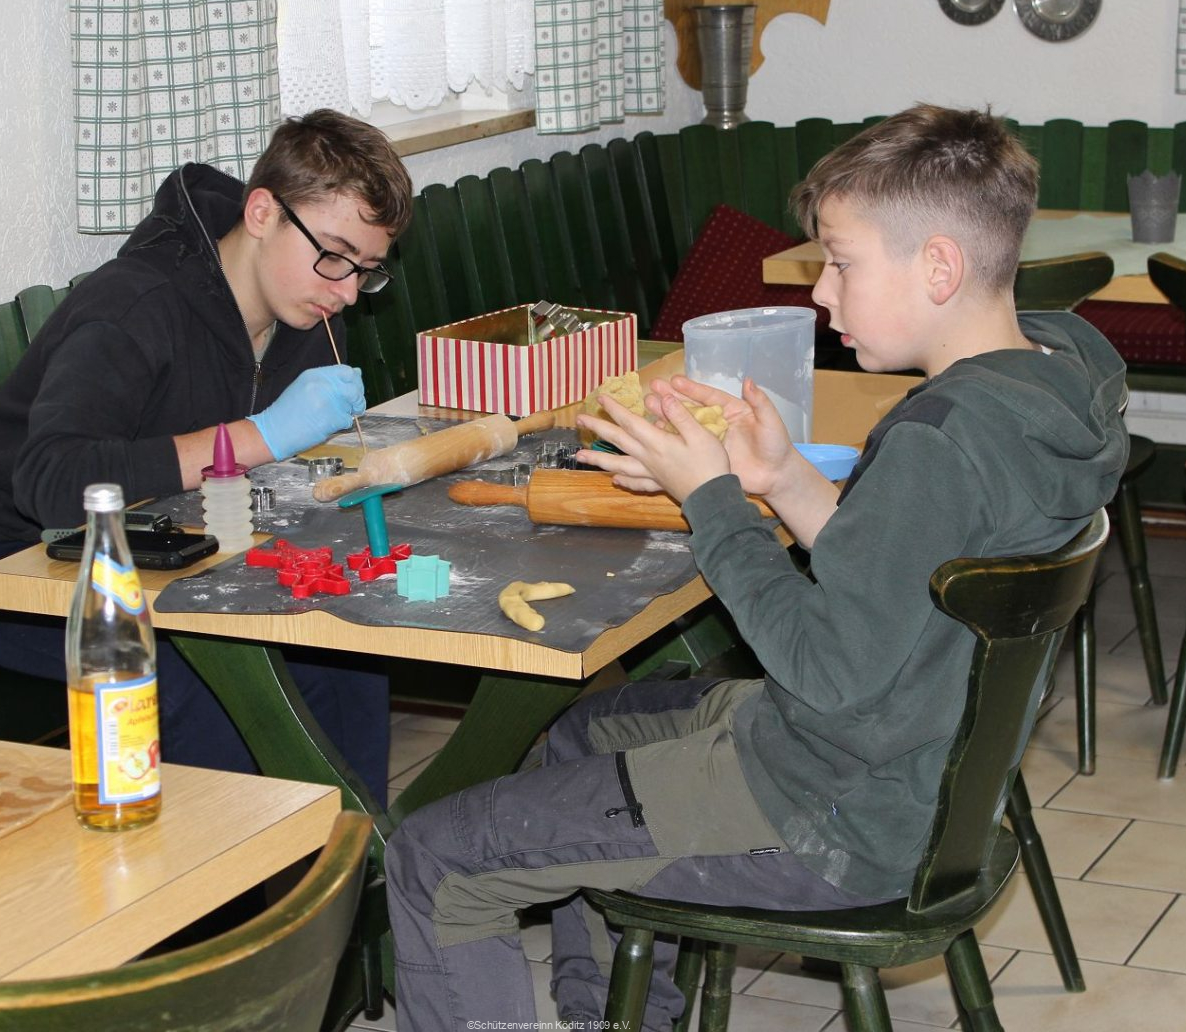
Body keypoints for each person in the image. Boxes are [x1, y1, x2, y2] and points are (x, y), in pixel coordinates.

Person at [383, 104, 1129, 1030]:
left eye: (842, 265)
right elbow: (906, 573)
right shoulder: (1058, 374)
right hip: (916, 773)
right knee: (581, 733)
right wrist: (780, 480)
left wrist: (712, 501)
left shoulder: (939, 442)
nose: (824, 296)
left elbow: (826, 669)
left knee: (433, 859)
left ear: (938, 267)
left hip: (832, 813)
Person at [0, 109, 412, 796]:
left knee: (344, 652)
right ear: (263, 213)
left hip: (160, 546)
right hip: (6, 562)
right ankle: (231, 865)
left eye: (367, 271)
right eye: (333, 255)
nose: (347, 290)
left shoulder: (306, 309)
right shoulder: (136, 304)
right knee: (206, 681)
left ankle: (353, 850)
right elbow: (51, 482)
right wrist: (258, 437)